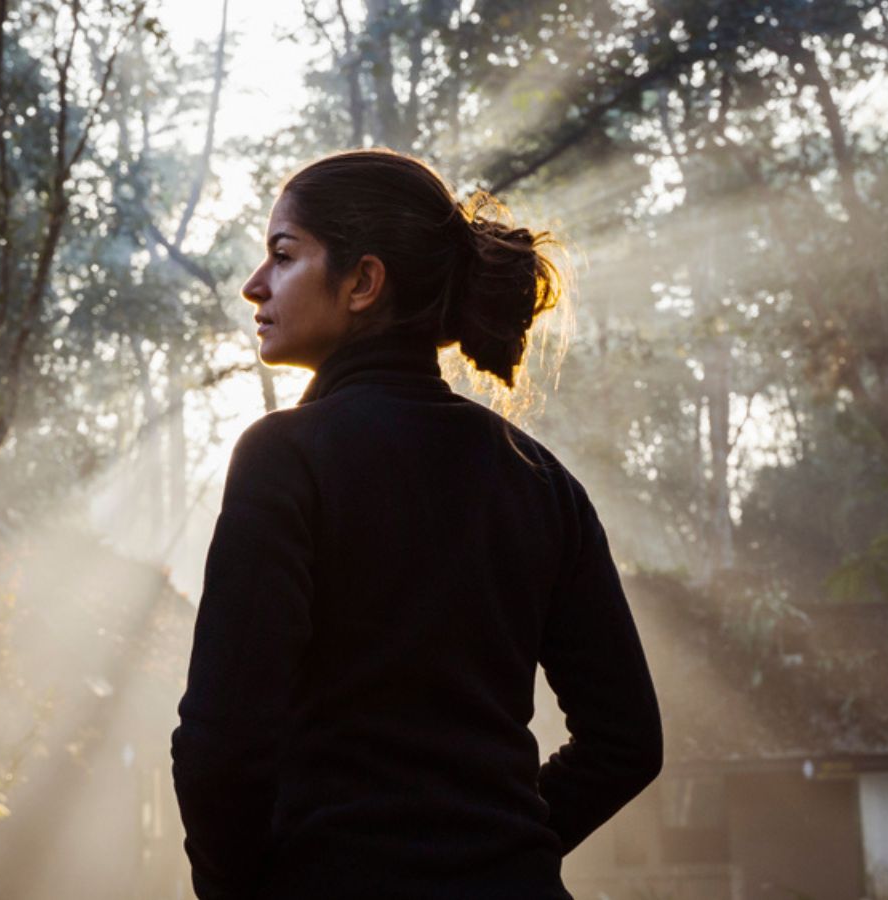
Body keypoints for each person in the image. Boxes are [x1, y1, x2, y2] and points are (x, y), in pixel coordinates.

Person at [169, 149, 662, 900]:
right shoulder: (541, 481)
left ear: (364, 282)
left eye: (282, 254)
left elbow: (221, 745)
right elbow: (627, 744)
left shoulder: (283, 459)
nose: (253, 285)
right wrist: (501, 851)